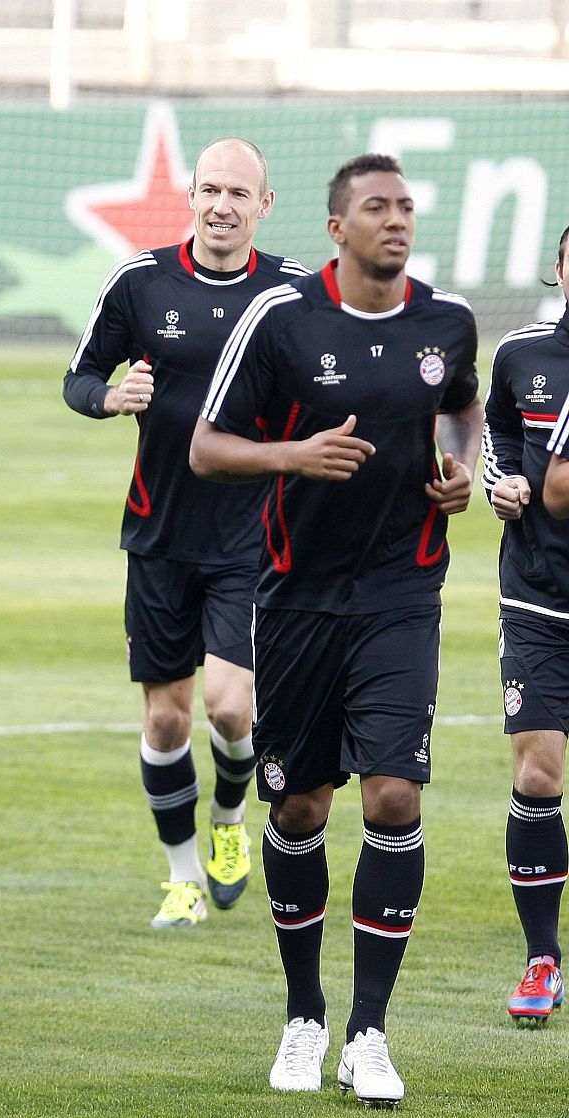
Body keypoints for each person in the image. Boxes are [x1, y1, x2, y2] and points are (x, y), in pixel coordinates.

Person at [190, 153, 481, 1105]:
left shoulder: (445, 322)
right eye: (375, 208)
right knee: (301, 810)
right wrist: (294, 456)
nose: (396, 221)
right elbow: (207, 447)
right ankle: (304, 1016)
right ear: (335, 227)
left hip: (403, 596)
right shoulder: (283, 322)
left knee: (396, 798)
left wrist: (458, 466)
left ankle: (370, 1033)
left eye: (404, 207)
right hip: (297, 602)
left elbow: (461, 403)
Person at [63, 138, 307, 928]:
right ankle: (181, 878)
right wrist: (110, 397)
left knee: (232, 708)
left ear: (264, 206)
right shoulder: (140, 281)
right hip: (160, 534)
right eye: (210, 190)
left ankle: (230, 822)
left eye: (240, 192)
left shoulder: (296, 294)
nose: (222, 205)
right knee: (167, 719)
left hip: (253, 536)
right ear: (191, 198)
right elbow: (78, 377)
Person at [489, 225, 569, 1025]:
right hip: (539, 595)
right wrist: (502, 482)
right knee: (539, 773)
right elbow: (496, 436)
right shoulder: (523, 355)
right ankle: (541, 958)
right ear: (559, 267)